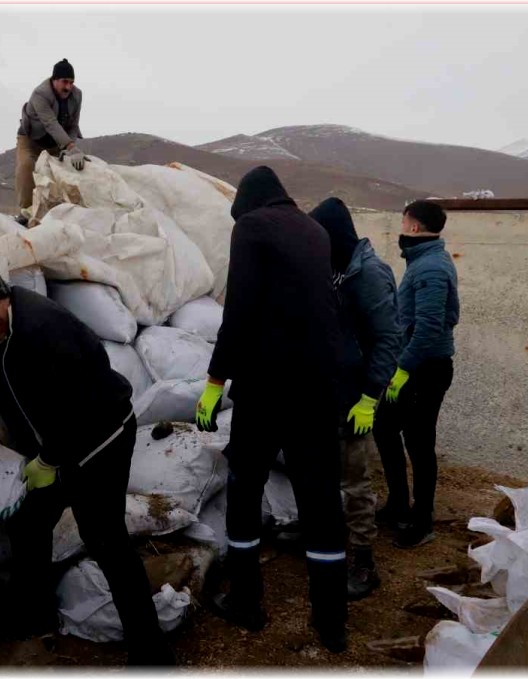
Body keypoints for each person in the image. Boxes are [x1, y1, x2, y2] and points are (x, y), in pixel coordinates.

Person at [0, 263, 174, 667]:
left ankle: (151, 651)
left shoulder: (43, 329)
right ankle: (35, 614)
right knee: (28, 521)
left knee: (105, 538)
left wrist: (50, 460)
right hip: (56, 447)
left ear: (6, 296)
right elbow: (3, 388)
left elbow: (80, 405)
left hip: (101, 438)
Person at [195, 166, 348, 653]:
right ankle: (332, 622)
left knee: (244, 488)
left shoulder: (253, 227)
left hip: (268, 386)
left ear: (247, 204)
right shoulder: (314, 230)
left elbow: (239, 311)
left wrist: (215, 381)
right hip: (320, 387)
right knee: (322, 500)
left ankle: (247, 602)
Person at [308, 197, 402, 600]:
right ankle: (330, 542)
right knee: (328, 477)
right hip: (329, 391)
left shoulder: (369, 275)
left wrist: (369, 397)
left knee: (355, 482)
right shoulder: (335, 268)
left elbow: (387, 338)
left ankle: (364, 562)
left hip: (354, 396)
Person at [373, 200, 460, 549]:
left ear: (413, 227)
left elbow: (428, 327)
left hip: (425, 370)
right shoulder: (423, 261)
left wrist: (402, 371)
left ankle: (422, 520)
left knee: (420, 443)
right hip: (413, 366)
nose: (400, 227)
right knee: (385, 426)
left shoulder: (431, 269)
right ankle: (398, 503)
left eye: (403, 221)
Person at [14, 58, 84, 223]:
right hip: (31, 140)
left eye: (71, 82)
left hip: (57, 143)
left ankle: (58, 214)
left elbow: (73, 125)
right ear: (54, 80)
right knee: (26, 168)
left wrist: (70, 149)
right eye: (64, 82)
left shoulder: (77, 95)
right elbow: (50, 123)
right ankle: (26, 214)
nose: (68, 87)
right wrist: (70, 145)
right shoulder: (40, 94)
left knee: (65, 171)